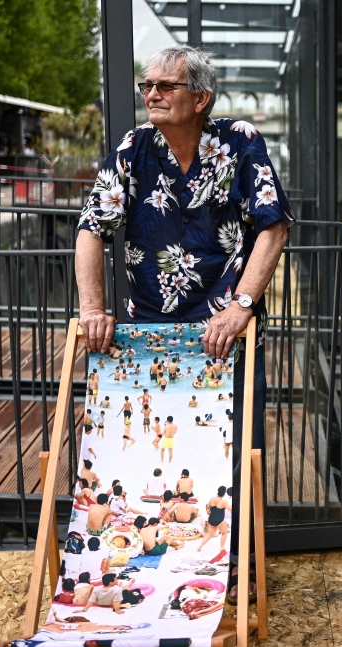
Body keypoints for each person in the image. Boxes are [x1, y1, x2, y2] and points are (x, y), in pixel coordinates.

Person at [75, 46, 289, 603]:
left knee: (235, 452)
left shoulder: (239, 141)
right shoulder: (132, 149)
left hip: (226, 333)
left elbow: (273, 226)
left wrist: (242, 304)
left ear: (201, 98)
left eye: (166, 86)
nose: (152, 94)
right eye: (148, 85)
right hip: (149, 337)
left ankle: (233, 570)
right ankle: (152, 567)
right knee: (149, 454)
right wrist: (92, 311)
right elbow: (91, 228)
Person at [196, 486, 230, 553]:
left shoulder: (212, 498)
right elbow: (230, 509)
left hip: (211, 519)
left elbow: (208, 506)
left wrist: (208, 510)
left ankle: (200, 546)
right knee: (224, 533)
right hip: (219, 520)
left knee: (210, 534)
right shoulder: (223, 501)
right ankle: (222, 547)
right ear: (224, 493)